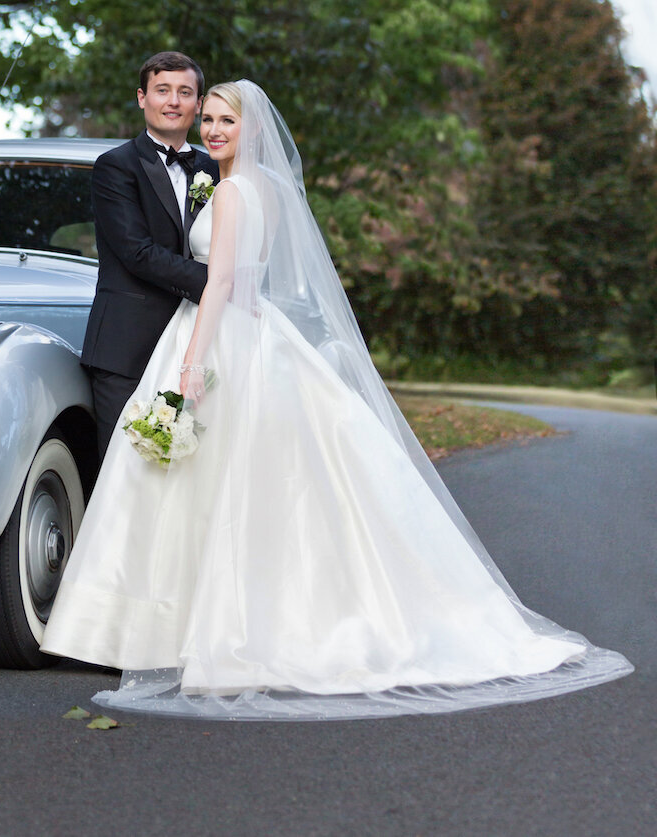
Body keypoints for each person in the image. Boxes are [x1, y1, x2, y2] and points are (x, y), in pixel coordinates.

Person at [42, 80, 632, 719]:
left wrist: (190, 363)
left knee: (201, 486)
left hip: (216, 336)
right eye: (206, 119)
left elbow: (218, 286)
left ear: (250, 130)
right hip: (255, 331)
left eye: (222, 122)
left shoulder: (234, 190)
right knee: (239, 487)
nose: (210, 131)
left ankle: (192, 627)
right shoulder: (259, 187)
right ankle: (215, 620)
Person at [80, 51, 218, 456]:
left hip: (201, 346)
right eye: (162, 90)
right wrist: (220, 284)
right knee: (122, 473)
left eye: (184, 92)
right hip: (128, 347)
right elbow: (136, 252)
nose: (173, 101)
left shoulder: (215, 169)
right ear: (142, 98)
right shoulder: (115, 167)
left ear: (198, 103)